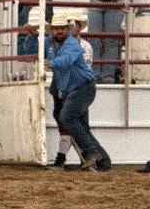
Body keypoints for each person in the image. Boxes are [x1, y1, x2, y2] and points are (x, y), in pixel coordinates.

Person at [45, 13, 111, 171]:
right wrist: (31, 37)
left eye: (62, 28)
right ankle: (103, 162)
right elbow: (35, 49)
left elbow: (66, 60)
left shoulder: (72, 45)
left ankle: (91, 153)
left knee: (66, 118)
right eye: (56, 28)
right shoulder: (51, 43)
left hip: (82, 87)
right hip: (76, 88)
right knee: (78, 124)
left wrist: (51, 63)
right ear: (52, 30)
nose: (59, 31)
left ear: (67, 30)